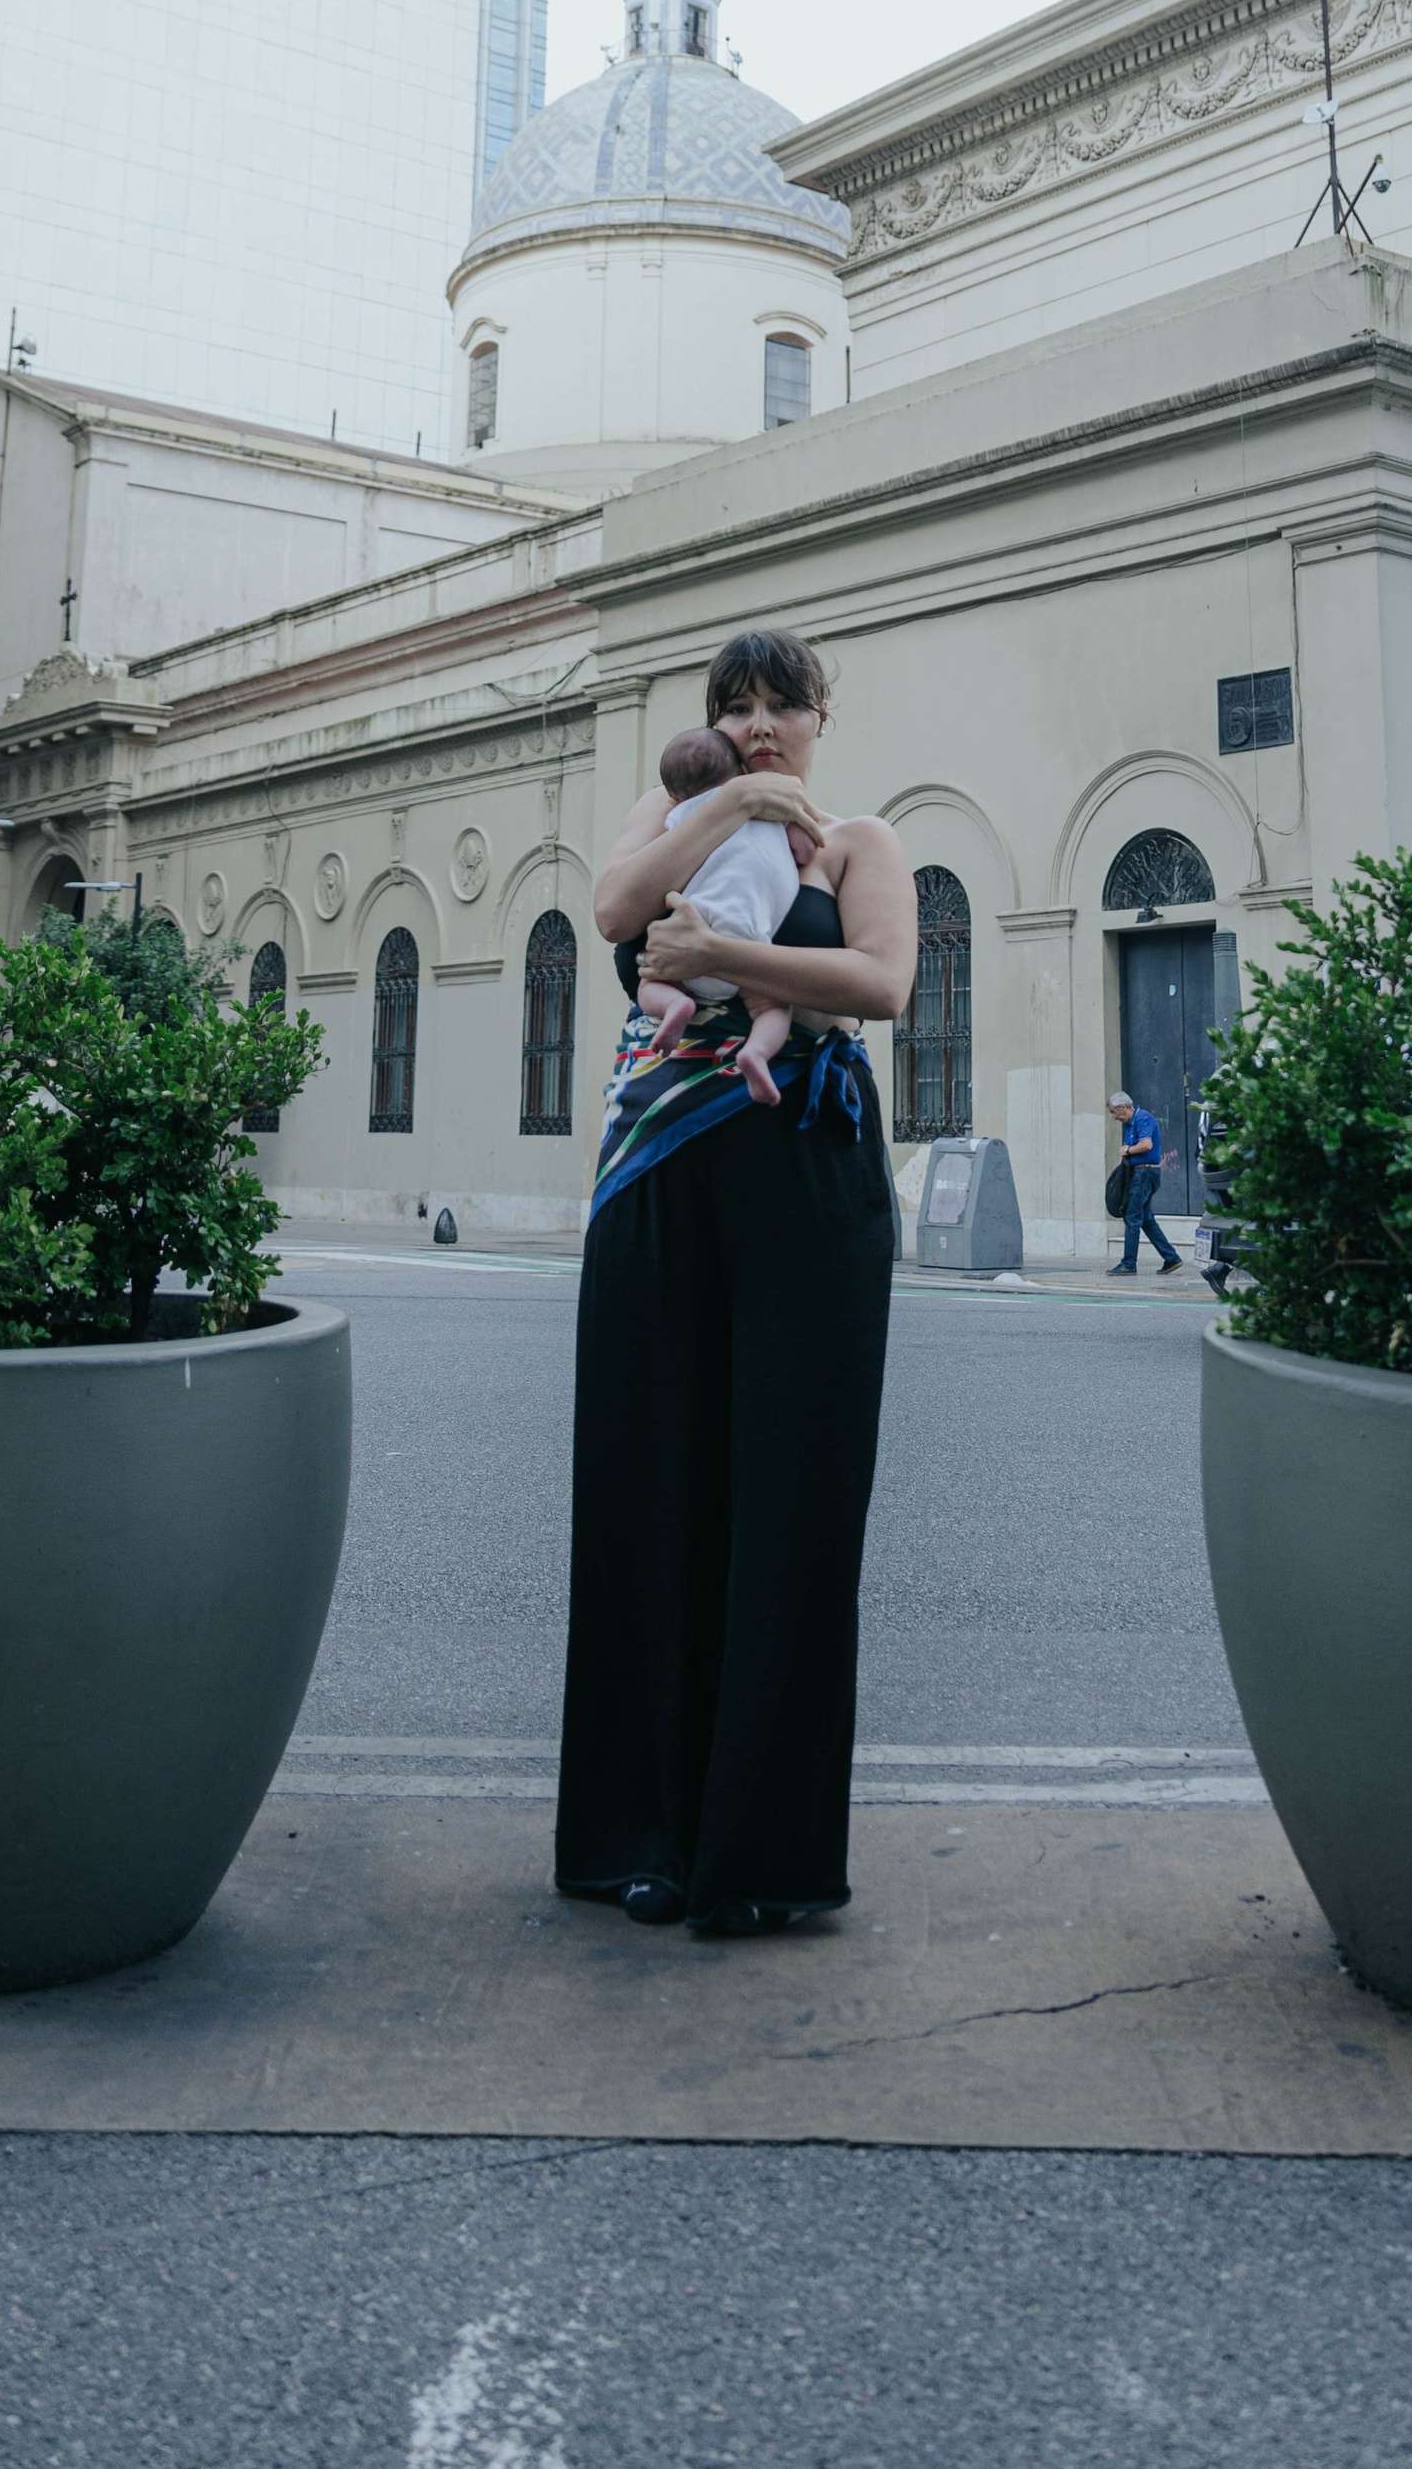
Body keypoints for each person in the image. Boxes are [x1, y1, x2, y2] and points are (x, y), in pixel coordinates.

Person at [559, 623, 917, 1937]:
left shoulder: (863, 843)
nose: (762, 720)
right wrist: (742, 802)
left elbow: (880, 979)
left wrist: (730, 960)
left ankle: (757, 1852)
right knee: (650, 1496)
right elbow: (611, 914)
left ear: (824, 710)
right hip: (657, 1186)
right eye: (738, 704)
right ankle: (642, 1832)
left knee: (793, 1511)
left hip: (812, 1196)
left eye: (784, 705)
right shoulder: (673, 809)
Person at [622, 721, 810, 1105]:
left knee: (649, 984)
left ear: (673, 798)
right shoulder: (772, 809)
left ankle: (675, 1003)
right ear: (740, 772)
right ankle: (756, 1052)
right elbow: (805, 852)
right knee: (772, 1007)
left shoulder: (680, 821)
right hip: (752, 941)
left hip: (692, 929)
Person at [1108, 1089, 1182, 1276]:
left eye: (1113, 1112)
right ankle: (1171, 1258)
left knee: (1132, 1217)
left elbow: (1146, 1145)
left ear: (1123, 1107)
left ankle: (1129, 1264)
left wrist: (1129, 1150)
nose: (1114, 1117)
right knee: (1147, 1220)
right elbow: (1125, 1152)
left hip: (1145, 1172)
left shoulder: (1143, 1118)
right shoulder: (1128, 1123)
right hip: (1137, 1172)